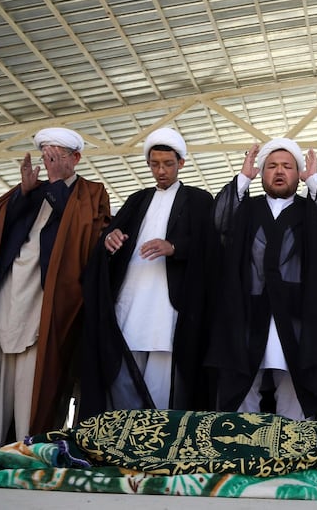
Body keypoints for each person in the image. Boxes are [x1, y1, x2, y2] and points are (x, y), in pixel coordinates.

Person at [0, 127, 110, 458]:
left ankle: (28, 446)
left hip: (47, 299)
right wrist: (23, 192)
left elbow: (86, 234)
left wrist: (59, 186)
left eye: (57, 156)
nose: (50, 163)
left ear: (75, 158)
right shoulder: (30, 190)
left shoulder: (90, 192)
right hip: (8, 292)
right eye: (46, 156)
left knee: (35, 374)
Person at [205, 138, 317, 421]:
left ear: (298, 173)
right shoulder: (246, 208)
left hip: (297, 318)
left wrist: (314, 181)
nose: (279, 171)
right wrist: (243, 177)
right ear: (262, 172)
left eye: (287, 166)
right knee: (243, 391)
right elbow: (219, 219)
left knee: (295, 392)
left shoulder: (311, 210)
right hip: (248, 314)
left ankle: (293, 460)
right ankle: (243, 458)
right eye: (271, 166)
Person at [80, 127, 214, 419]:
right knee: (123, 377)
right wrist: (109, 241)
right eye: (155, 164)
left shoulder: (198, 199)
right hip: (130, 302)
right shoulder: (137, 199)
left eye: (168, 164)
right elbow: (111, 236)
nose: (161, 170)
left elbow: (210, 246)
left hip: (167, 309)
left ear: (181, 163)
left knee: (162, 385)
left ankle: (158, 448)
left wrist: (174, 247)